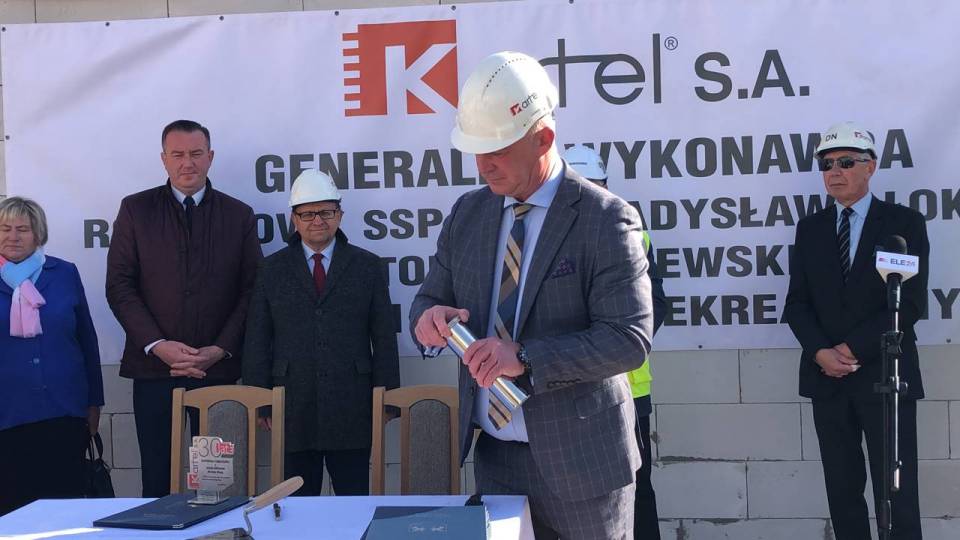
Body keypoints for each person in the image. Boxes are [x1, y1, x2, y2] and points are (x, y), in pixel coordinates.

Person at [410, 51, 653, 539]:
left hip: (585, 464)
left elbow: (628, 340)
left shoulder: (605, 218)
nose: (483, 165)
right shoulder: (468, 215)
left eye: (497, 150)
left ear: (543, 138)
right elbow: (427, 298)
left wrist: (523, 356)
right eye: (476, 150)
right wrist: (429, 319)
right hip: (497, 460)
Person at [784, 121, 928, 539]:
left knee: (897, 493)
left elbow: (910, 304)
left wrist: (852, 350)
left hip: (886, 378)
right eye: (827, 164)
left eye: (846, 162)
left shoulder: (903, 224)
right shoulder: (810, 230)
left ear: (871, 167)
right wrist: (821, 353)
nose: (835, 171)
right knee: (843, 492)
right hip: (827, 379)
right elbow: (797, 304)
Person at [106, 120, 263, 497]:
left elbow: (253, 289)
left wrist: (221, 348)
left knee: (216, 482)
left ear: (210, 157)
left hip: (216, 371)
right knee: (157, 477)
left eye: (195, 153)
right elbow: (120, 286)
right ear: (164, 159)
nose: (187, 163)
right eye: (177, 154)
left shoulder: (237, 214)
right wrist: (157, 345)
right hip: (153, 369)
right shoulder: (136, 210)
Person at [242, 169, 400, 496]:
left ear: (339, 215)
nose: (317, 220)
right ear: (294, 219)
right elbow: (257, 337)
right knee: (297, 508)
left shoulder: (367, 266)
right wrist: (260, 399)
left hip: (352, 405)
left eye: (326, 212)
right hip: (291, 406)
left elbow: (384, 337)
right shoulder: (271, 269)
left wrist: (387, 399)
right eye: (308, 213)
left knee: (354, 502)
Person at [563, 144, 667, 540]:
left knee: (637, 490)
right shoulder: (541, 239)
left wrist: (612, 344)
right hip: (565, 392)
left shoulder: (630, 231)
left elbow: (656, 305)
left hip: (628, 390)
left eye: (595, 186)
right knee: (571, 497)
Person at [0, 197, 104, 515]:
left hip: (63, 412)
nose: (12, 237)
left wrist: (94, 402)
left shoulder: (64, 273)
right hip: (7, 415)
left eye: (22, 229)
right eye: (4, 228)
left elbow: (87, 341)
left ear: (38, 234)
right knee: (13, 513)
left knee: (64, 510)